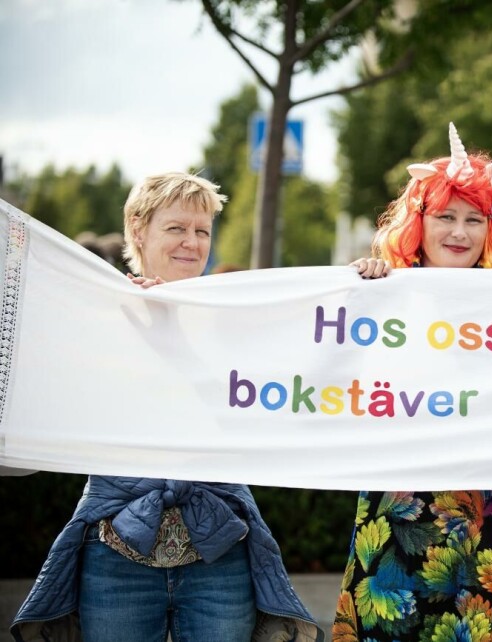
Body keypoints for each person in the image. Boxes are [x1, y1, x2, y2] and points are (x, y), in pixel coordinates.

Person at [11, 172, 319, 642]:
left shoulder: (236, 317)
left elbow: (313, 356)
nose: (192, 243)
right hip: (116, 560)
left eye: (201, 231)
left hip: (220, 560)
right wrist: (133, 319)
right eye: (177, 228)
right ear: (138, 229)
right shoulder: (98, 314)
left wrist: (368, 290)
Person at [333, 123, 492, 641]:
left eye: (474, 219)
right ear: (419, 221)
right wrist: (358, 290)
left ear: (491, 228)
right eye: (445, 217)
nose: (459, 232)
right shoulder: (380, 293)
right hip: (404, 511)